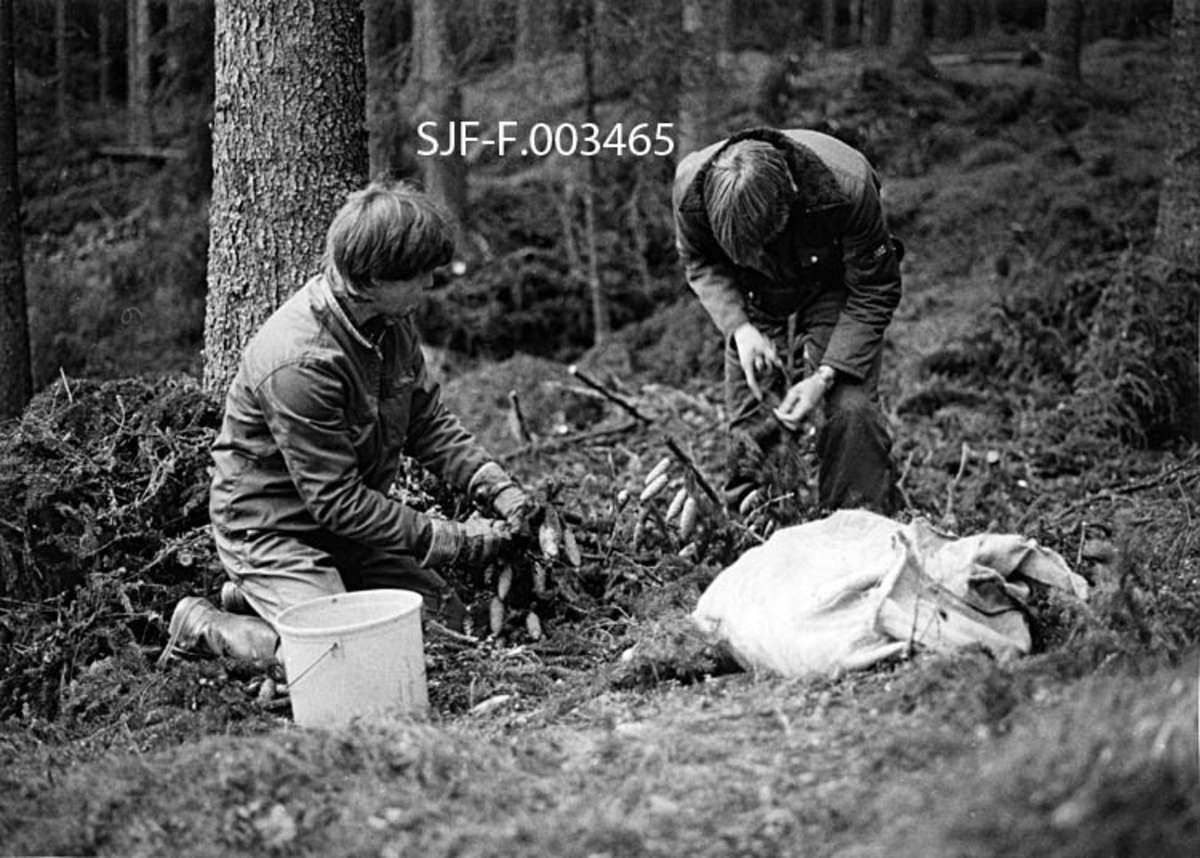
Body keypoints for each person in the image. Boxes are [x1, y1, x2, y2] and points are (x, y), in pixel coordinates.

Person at [161, 181, 538, 663]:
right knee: (345, 654)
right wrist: (451, 541)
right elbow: (336, 501)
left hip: (351, 526)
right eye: (419, 275)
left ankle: (268, 600)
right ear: (375, 277)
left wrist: (495, 486)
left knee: (445, 626)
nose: (429, 285)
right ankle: (208, 624)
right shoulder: (302, 361)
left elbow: (426, 420)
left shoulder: (391, 322)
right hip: (273, 529)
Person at [672, 127, 903, 517]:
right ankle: (755, 525)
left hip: (833, 284)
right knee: (754, 414)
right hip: (753, 295)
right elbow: (699, 262)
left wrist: (824, 375)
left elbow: (875, 288)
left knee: (849, 407)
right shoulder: (689, 193)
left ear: (789, 200)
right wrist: (740, 328)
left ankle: (855, 524)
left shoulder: (849, 187)